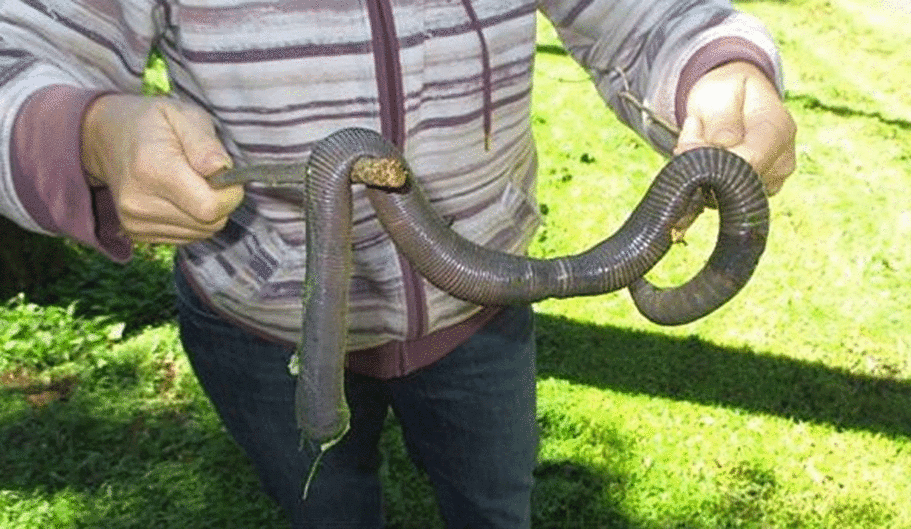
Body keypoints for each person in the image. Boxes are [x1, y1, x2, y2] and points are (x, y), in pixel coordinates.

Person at [0, 1, 796, 527]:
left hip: (479, 320)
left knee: (493, 502)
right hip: (259, 325)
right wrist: (86, 132)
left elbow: (641, 14)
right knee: (326, 505)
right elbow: (20, 46)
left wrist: (717, 66)